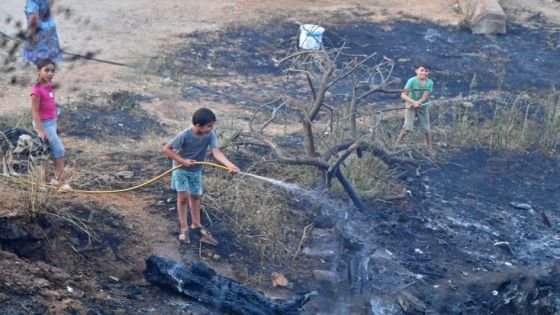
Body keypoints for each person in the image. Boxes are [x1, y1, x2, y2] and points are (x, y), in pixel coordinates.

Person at [163, 108, 239, 245]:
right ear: (198, 125)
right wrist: (182, 161)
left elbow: (217, 152)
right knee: (182, 198)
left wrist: (229, 165)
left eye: (212, 126)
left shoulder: (210, 135)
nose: (211, 129)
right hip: (181, 169)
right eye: (209, 126)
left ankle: (196, 225)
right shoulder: (185, 135)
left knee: (195, 196)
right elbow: (166, 149)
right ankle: (184, 228)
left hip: (196, 170)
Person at [30, 58, 71, 191]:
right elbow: (35, 112)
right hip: (43, 124)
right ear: (38, 71)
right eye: (46, 70)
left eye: (52, 71)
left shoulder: (50, 85)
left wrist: (56, 124)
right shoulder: (36, 90)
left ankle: (46, 179)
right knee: (58, 149)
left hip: (51, 122)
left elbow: (52, 106)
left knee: (47, 150)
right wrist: (41, 130)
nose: (50, 73)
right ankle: (62, 183)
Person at [396, 64, 434, 150]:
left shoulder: (430, 83)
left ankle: (429, 148)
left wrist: (419, 102)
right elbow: (403, 95)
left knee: (426, 129)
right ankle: (396, 145)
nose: (423, 73)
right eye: (421, 70)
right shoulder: (411, 81)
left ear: (428, 72)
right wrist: (413, 102)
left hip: (423, 106)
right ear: (416, 71)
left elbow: (425, 97)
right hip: (410, 106)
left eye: (426, 71)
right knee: (407, 128)